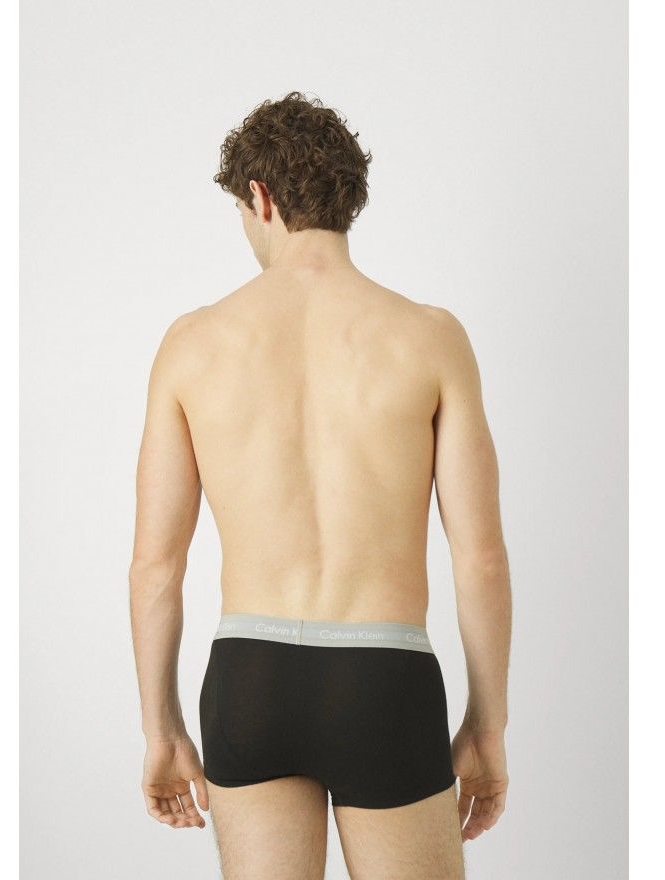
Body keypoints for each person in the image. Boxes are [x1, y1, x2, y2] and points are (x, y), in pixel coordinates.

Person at [129, 91, 511, 880]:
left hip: (249, 679)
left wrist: (161, 727)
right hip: (386, 680)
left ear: (260, 197)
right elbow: (479, 558)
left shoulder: (192, 343)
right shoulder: (431, 338)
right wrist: (487, 722)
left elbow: (156, 566)